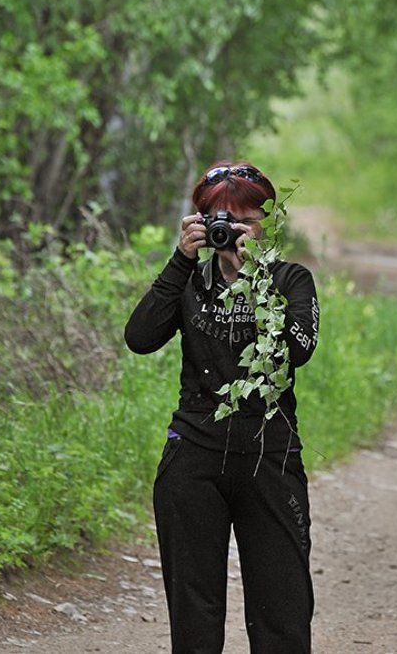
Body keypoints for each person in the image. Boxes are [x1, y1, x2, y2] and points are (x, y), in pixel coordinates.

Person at [124, 161, 320, 653]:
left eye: (245, 220)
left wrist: (254, 275)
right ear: (200, 223)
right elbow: (140, 338)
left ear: (265, 224)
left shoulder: (291, 280)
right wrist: (179, 262)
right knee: (194, 611)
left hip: (268, 454)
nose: (231, 231)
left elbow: (297, 349)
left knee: (283, 608)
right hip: (194, 453)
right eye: (220, 220)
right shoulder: (189, 280)